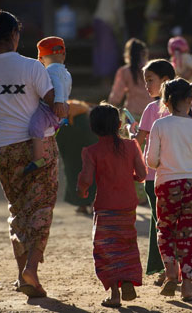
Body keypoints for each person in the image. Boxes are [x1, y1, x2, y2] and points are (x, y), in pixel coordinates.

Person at [0, 9, 67, 298]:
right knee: (40, 207)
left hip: (3, 145)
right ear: (14, 34)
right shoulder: (32, 67)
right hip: (38, 144)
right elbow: (54, 104)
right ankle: (31, 270)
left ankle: (21, 274)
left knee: (18, 209)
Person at [77, 104, 147, 309]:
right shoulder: (132, 146)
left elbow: (86, 179)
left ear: (93, 127)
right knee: (126, 244)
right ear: (118, 124)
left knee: (106, 248)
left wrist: (82, 191)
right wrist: (130, 176)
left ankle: (114, 294)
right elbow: (142, 175)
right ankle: (127, 279)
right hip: (128, 206)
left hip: (105, 207)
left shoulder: (91, 152)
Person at [146, 78, 192, 302]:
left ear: (166, 101)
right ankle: (188, 287)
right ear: (190, 99)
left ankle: (171, 270)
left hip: (165, 184)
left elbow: (151, 161)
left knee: (165, 228)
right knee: (190, 235)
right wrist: (190, 176)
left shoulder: (159, 125)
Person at [135, 59, 176, 286]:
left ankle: (164, 268)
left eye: (150, 80)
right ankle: (176, 267)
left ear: (165, 81)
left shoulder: (152, 109)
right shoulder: (185, 109)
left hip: (154, 177)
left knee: (159, 223)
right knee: (175, 222)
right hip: (180, 174)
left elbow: (138, 143)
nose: (147, 86)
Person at [22, 36, 72, 175]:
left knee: (35, 128)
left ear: (41, 59)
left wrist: (58, 102)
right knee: (47, 127)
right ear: (64, 54)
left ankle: (37, 159)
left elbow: (58, 87)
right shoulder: (67, 73)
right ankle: (57, 125)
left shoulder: (48, 71)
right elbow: (66, 89)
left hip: (48, 109)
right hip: (62, 110)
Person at [57, 99, 98, 215]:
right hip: (87, 138)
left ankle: (82, 204)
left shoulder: (60, 109)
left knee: (72, 171)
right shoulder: (85, 109)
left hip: (69, 139)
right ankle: (93, 203)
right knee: (91, 171)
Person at [93, 0, 128, 82]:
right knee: (108, 51)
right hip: (108, 21)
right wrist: (121, 24)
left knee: (100, 49)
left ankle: (101, 77)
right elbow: (118, 8)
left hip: (98, 19)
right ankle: (106, 80)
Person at [108, 38, 153, 120]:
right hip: (150, 114)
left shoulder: (124, 71)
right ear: (144, 53)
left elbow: (116, 97)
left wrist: (108, 108)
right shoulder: (152, 70)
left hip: (131, 116)